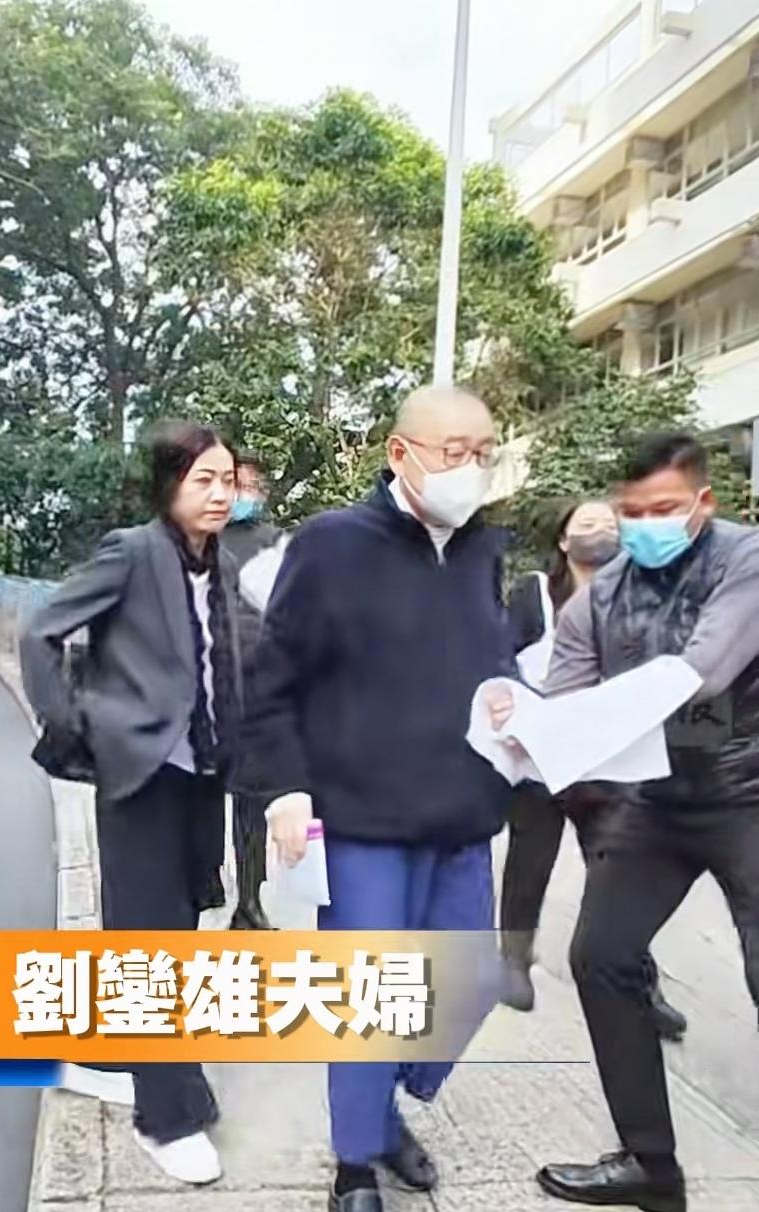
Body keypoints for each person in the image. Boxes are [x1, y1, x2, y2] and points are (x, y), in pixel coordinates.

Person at [240, 386, 515, 1212]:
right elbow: (273, 679)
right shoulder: (331, 544)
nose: (473, 469)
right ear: (401, 454)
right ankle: (357, 1164)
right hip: (361, 818)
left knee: (468, 984)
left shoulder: (483, 549)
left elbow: (491, 657)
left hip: (462, 813)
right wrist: (285, 788)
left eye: (485, 453)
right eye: (455, 453)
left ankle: (388, 1102)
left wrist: (514, 698)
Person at [488, 433, 759, 1212]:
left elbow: (700, 676)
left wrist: (587, 719)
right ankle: (650, 1165)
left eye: (664, 509)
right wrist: (524, 723)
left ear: (703, 503)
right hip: (657, 801)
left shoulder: (743, 562)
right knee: (602, 955)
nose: (644, 525)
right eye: (631, 511)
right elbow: (566, 702)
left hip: (748, 791)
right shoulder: (601, 595)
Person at [19, 420, 242, 1186]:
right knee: (150, 942)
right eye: (203, 479)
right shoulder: (132, 552)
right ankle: (165, 1118)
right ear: (169, 485)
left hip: (202, 775)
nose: (219, 494)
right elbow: (41, 632)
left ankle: (127, 1059)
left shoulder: (220, 563)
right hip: (142, 773)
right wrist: (74, 724)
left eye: (227, 480)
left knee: (178, 927)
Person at [500, 501, 688, 1042]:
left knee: (618, 879)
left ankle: (640, 987)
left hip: (608, 762)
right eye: (587, 523)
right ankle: (513, 961)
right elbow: (500, 656)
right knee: (529, 864)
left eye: (609, 524)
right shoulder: (535, 593)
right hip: (541, 757)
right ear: (563, 541)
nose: (600, 530)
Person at [219, 451, 283, 929]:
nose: (248, 492)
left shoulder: (274, 543)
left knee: (251, 802)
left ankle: (249, 900)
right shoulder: (200, 539)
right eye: (239, 483)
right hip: (208, 686)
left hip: (261, 689)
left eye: (255, 485)